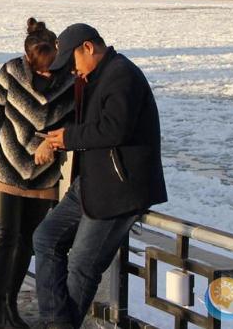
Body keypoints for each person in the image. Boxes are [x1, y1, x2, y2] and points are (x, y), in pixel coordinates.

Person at [31, 24, 168, 329]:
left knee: (82, 264)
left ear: (88, 48)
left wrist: (68, 138)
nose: (72, 71)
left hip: (118, 188)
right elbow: (84, 125)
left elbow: (114, 129)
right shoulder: (94, 76)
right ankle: (55, 321)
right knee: (45, 237)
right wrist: (56, 137)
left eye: (73, 63)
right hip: (90, 183)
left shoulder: (122, 74)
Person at [0, 18, 75, 329]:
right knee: (4, 237)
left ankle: (11, 306)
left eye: (51, 64)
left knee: (28, 241)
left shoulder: (68, 80)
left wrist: (54, 144)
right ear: (29, 58)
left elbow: (73, 122)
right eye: (41, 66)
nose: (47, 71)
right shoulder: (11, 72)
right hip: (6, 165)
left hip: (44, 174)